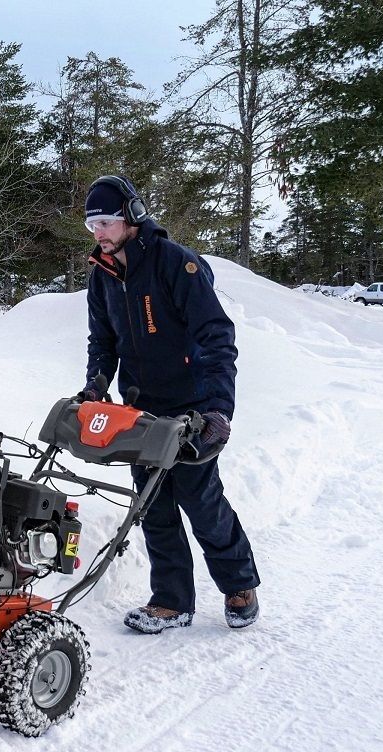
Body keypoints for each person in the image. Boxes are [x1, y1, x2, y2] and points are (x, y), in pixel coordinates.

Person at [80, 175, 260, 633]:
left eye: (106, 221)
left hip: (192, 407)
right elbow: (103, 341)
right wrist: (96, 387)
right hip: (140, 409)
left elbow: (215, 338)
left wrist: (218, 408)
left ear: (132, 216)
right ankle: (172, 601)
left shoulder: (176, 264)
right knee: (152, 503)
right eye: (92, 225)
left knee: (201, 501)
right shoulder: (101, 274)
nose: (99, 232)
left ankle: (239, 584)